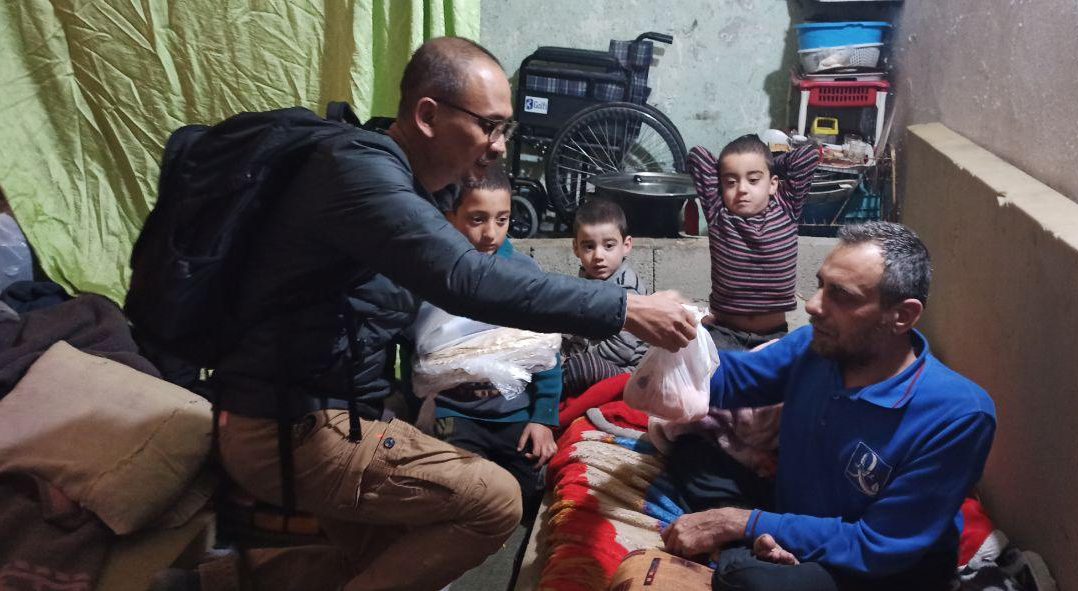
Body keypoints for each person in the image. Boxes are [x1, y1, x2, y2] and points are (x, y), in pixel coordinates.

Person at [166, 37, 696, 591]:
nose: (499, 147)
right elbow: (466, 279)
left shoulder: (404, 184)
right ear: (427, 116)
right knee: (495, 501)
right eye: (489, 126)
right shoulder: (360, 175)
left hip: (321, 412)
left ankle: (204, 584)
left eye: (506, 129)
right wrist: (624, 306)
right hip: (289, 427)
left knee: (387, 561)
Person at [660, 222, 997, 591]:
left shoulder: (958, 414)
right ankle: (761, 547)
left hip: (879, 565)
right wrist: (678, 339)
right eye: (821, 285)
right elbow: (730, 381)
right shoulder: (817, 346)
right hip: (800, 516)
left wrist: (740, 522)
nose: (813, 305)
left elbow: (877, 545)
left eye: (842, 295)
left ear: (901, 316)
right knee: (691, 452)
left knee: (748, 581)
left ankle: (752, 551)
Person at [424, 165, 559, 514]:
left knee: (528, 495)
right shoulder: (433, 276)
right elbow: (418, 349)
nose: (491, 233)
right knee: (458, 491)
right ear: (450, 217)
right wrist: (416, 406)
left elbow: (545, 352)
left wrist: (543, 418)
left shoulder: (524, 275)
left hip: (514, 413)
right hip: (455, 411)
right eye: (477, 219)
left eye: (502, 220)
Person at [686, 134, 821, 352]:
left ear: (773, 184)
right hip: (724, 333)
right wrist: (751, 168)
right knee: (712, 372)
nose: (742, 189)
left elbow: (809, 155)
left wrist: (767, 163)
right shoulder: (717, 210)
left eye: (754, 179)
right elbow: (696, 156)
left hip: (774, 335)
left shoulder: (787, 206)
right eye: (731, 182)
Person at [560, 198, 651, 395]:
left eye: (608, 246)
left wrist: (578, 359)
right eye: (589, 247)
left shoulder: (627, 289)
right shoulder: (586, 279)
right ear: (576, 248)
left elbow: (622, 348)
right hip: (592, 355)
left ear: (626, 245)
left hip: (628, 370)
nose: (598, 256)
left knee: (580, 369)